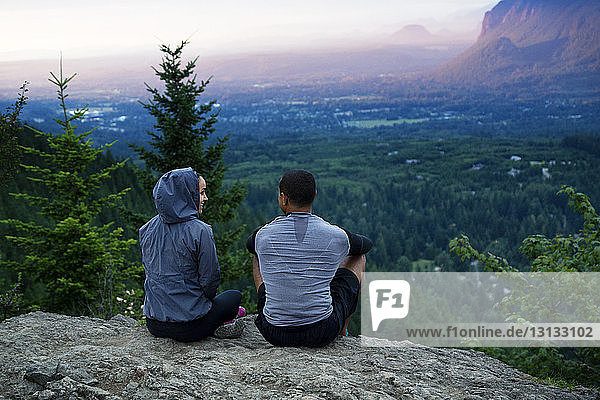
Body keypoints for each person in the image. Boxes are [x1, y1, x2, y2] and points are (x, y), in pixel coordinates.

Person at [247, 169, 372, 347]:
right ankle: (343, 329)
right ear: (314, 195)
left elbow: (249, 244)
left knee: (257, 256)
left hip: (274, 331)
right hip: (322, 331)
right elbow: (365, 245)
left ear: (283, 198)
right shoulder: (334, 234)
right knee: (358, 257)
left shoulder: (263, 234)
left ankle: (275, 306)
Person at [140, 167, 244, 342]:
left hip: (154, 323)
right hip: (189, 327)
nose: (205, 198)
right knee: (234, 296)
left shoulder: (147, 228)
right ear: (187, 195)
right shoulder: (200, 231)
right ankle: (222, 322)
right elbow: (210, 281)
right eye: (201, 193)